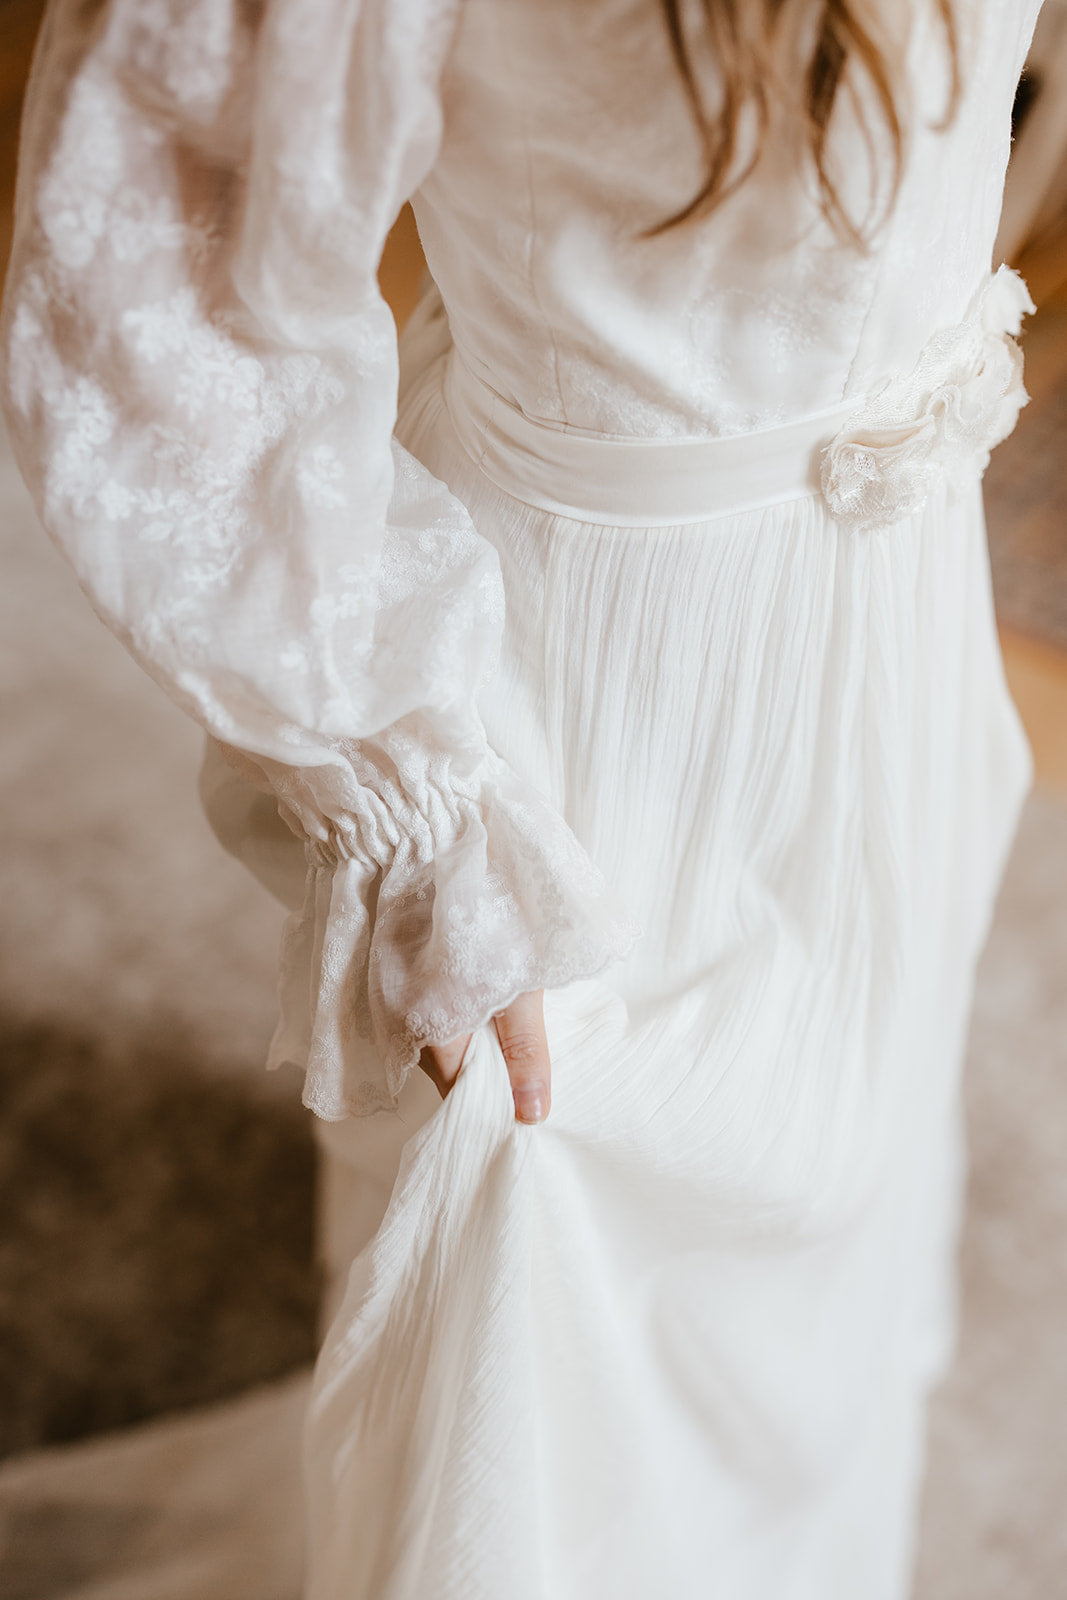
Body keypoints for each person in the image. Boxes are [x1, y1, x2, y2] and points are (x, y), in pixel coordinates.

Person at [0, 0, 1041, 1595]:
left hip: (890, 607)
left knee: (823, 1177)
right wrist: (423, 824)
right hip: (589, 686)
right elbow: (154, 284)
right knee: (559, 1256)